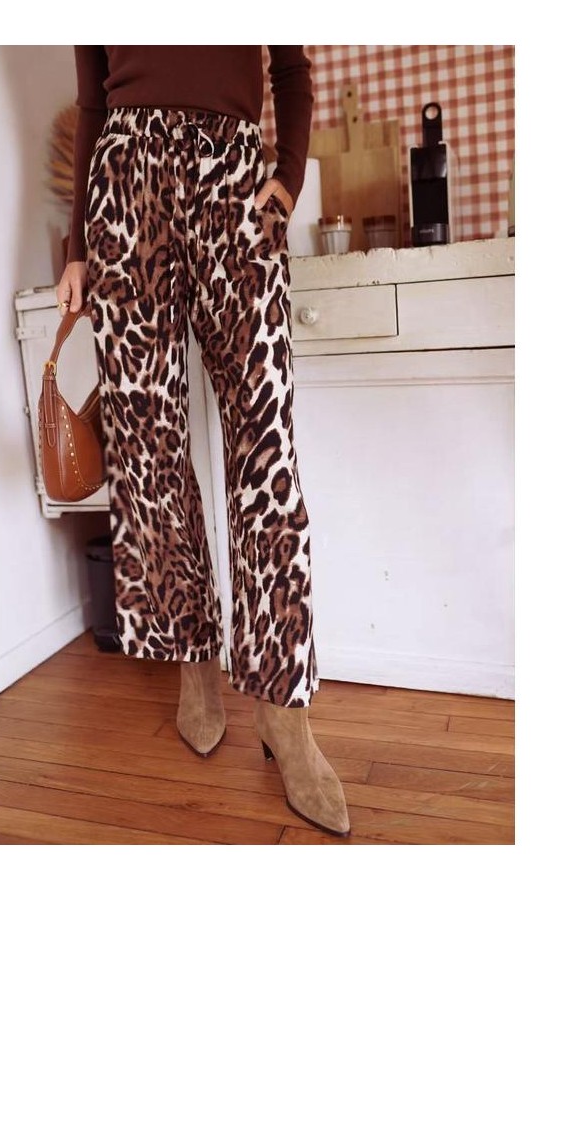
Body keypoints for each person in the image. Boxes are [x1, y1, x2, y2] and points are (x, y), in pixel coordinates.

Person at [56, 46, 349, 838]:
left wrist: (287, 175)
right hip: (127, 187)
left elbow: (290, 69)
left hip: (232, 178)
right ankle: (195, 659)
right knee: (147, 447)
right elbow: (93, 102)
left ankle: (284, 711)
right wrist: (78, 246)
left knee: (267, 444)